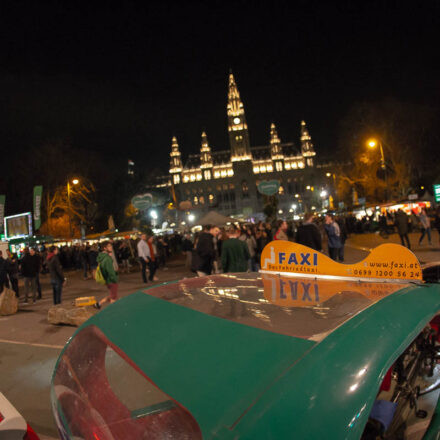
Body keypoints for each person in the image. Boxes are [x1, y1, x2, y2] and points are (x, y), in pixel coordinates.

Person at [95, 241, 119, 309]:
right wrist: (115, 278)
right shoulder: (107, 258)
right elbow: (110, 271)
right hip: (111, 280)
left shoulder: (102, 257)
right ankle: (112, 312)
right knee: (113, 298)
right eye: (109, 246)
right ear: (104, 248)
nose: (111, 247)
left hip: (107, 280)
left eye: (111, 246)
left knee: (113, 295)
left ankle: (98, 304)